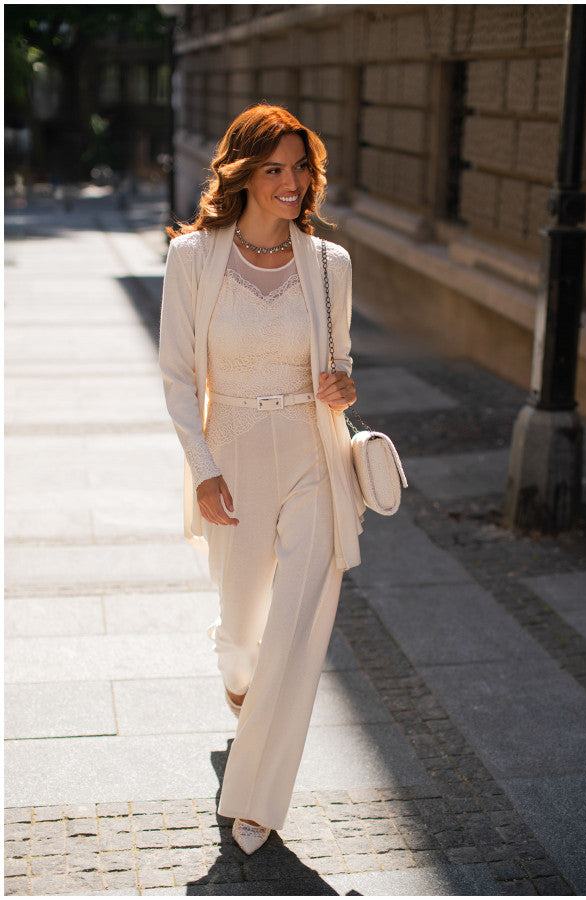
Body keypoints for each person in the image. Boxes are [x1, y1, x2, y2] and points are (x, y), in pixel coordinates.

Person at [158, 103, 365, 855]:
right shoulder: (194, 258)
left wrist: (343, 388)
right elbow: (179, 378)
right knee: (245, 636)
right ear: (242, 172)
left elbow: (339, 369)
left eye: (299, 166)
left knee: (300, 629)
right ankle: (238, 678)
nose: (290, 181)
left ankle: (257, 797)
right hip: (233, 456)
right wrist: (204, 471)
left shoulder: (328, 263)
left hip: (315, 458)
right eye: (273, 168)